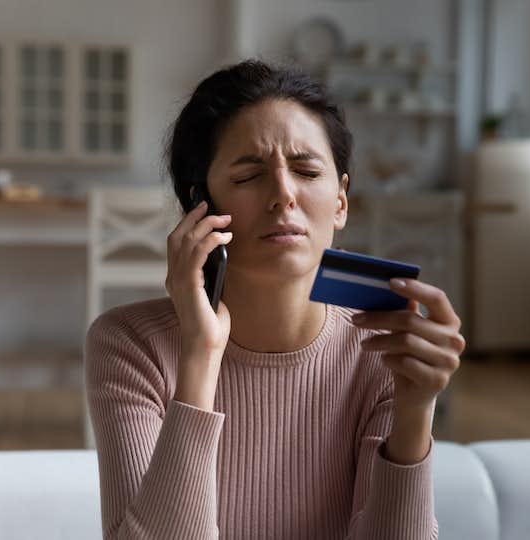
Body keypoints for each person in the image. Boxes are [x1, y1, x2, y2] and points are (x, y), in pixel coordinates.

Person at [85, 59, 465, 540]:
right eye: (248, 176)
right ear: (200, 206)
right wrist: (200, 355)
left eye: (306, 170)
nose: (284, 194)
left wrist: (415, 413)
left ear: (341, 202)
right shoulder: (129, 345)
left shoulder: (382, 349)